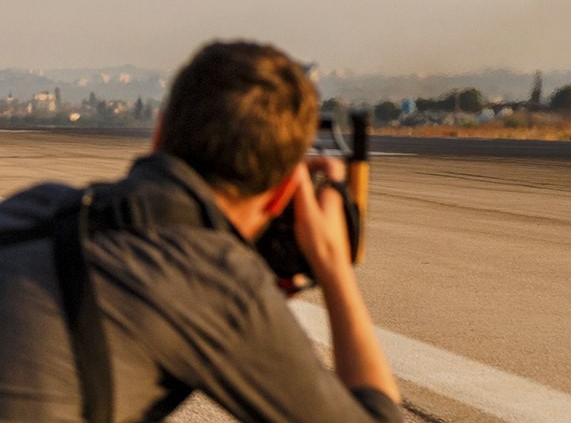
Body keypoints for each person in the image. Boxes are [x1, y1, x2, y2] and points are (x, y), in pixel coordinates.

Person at [0, 41, 402, 422]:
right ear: (282, 192)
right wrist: (334, 264)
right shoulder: (216, 281)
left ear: (158, 134)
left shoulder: (34, 206)